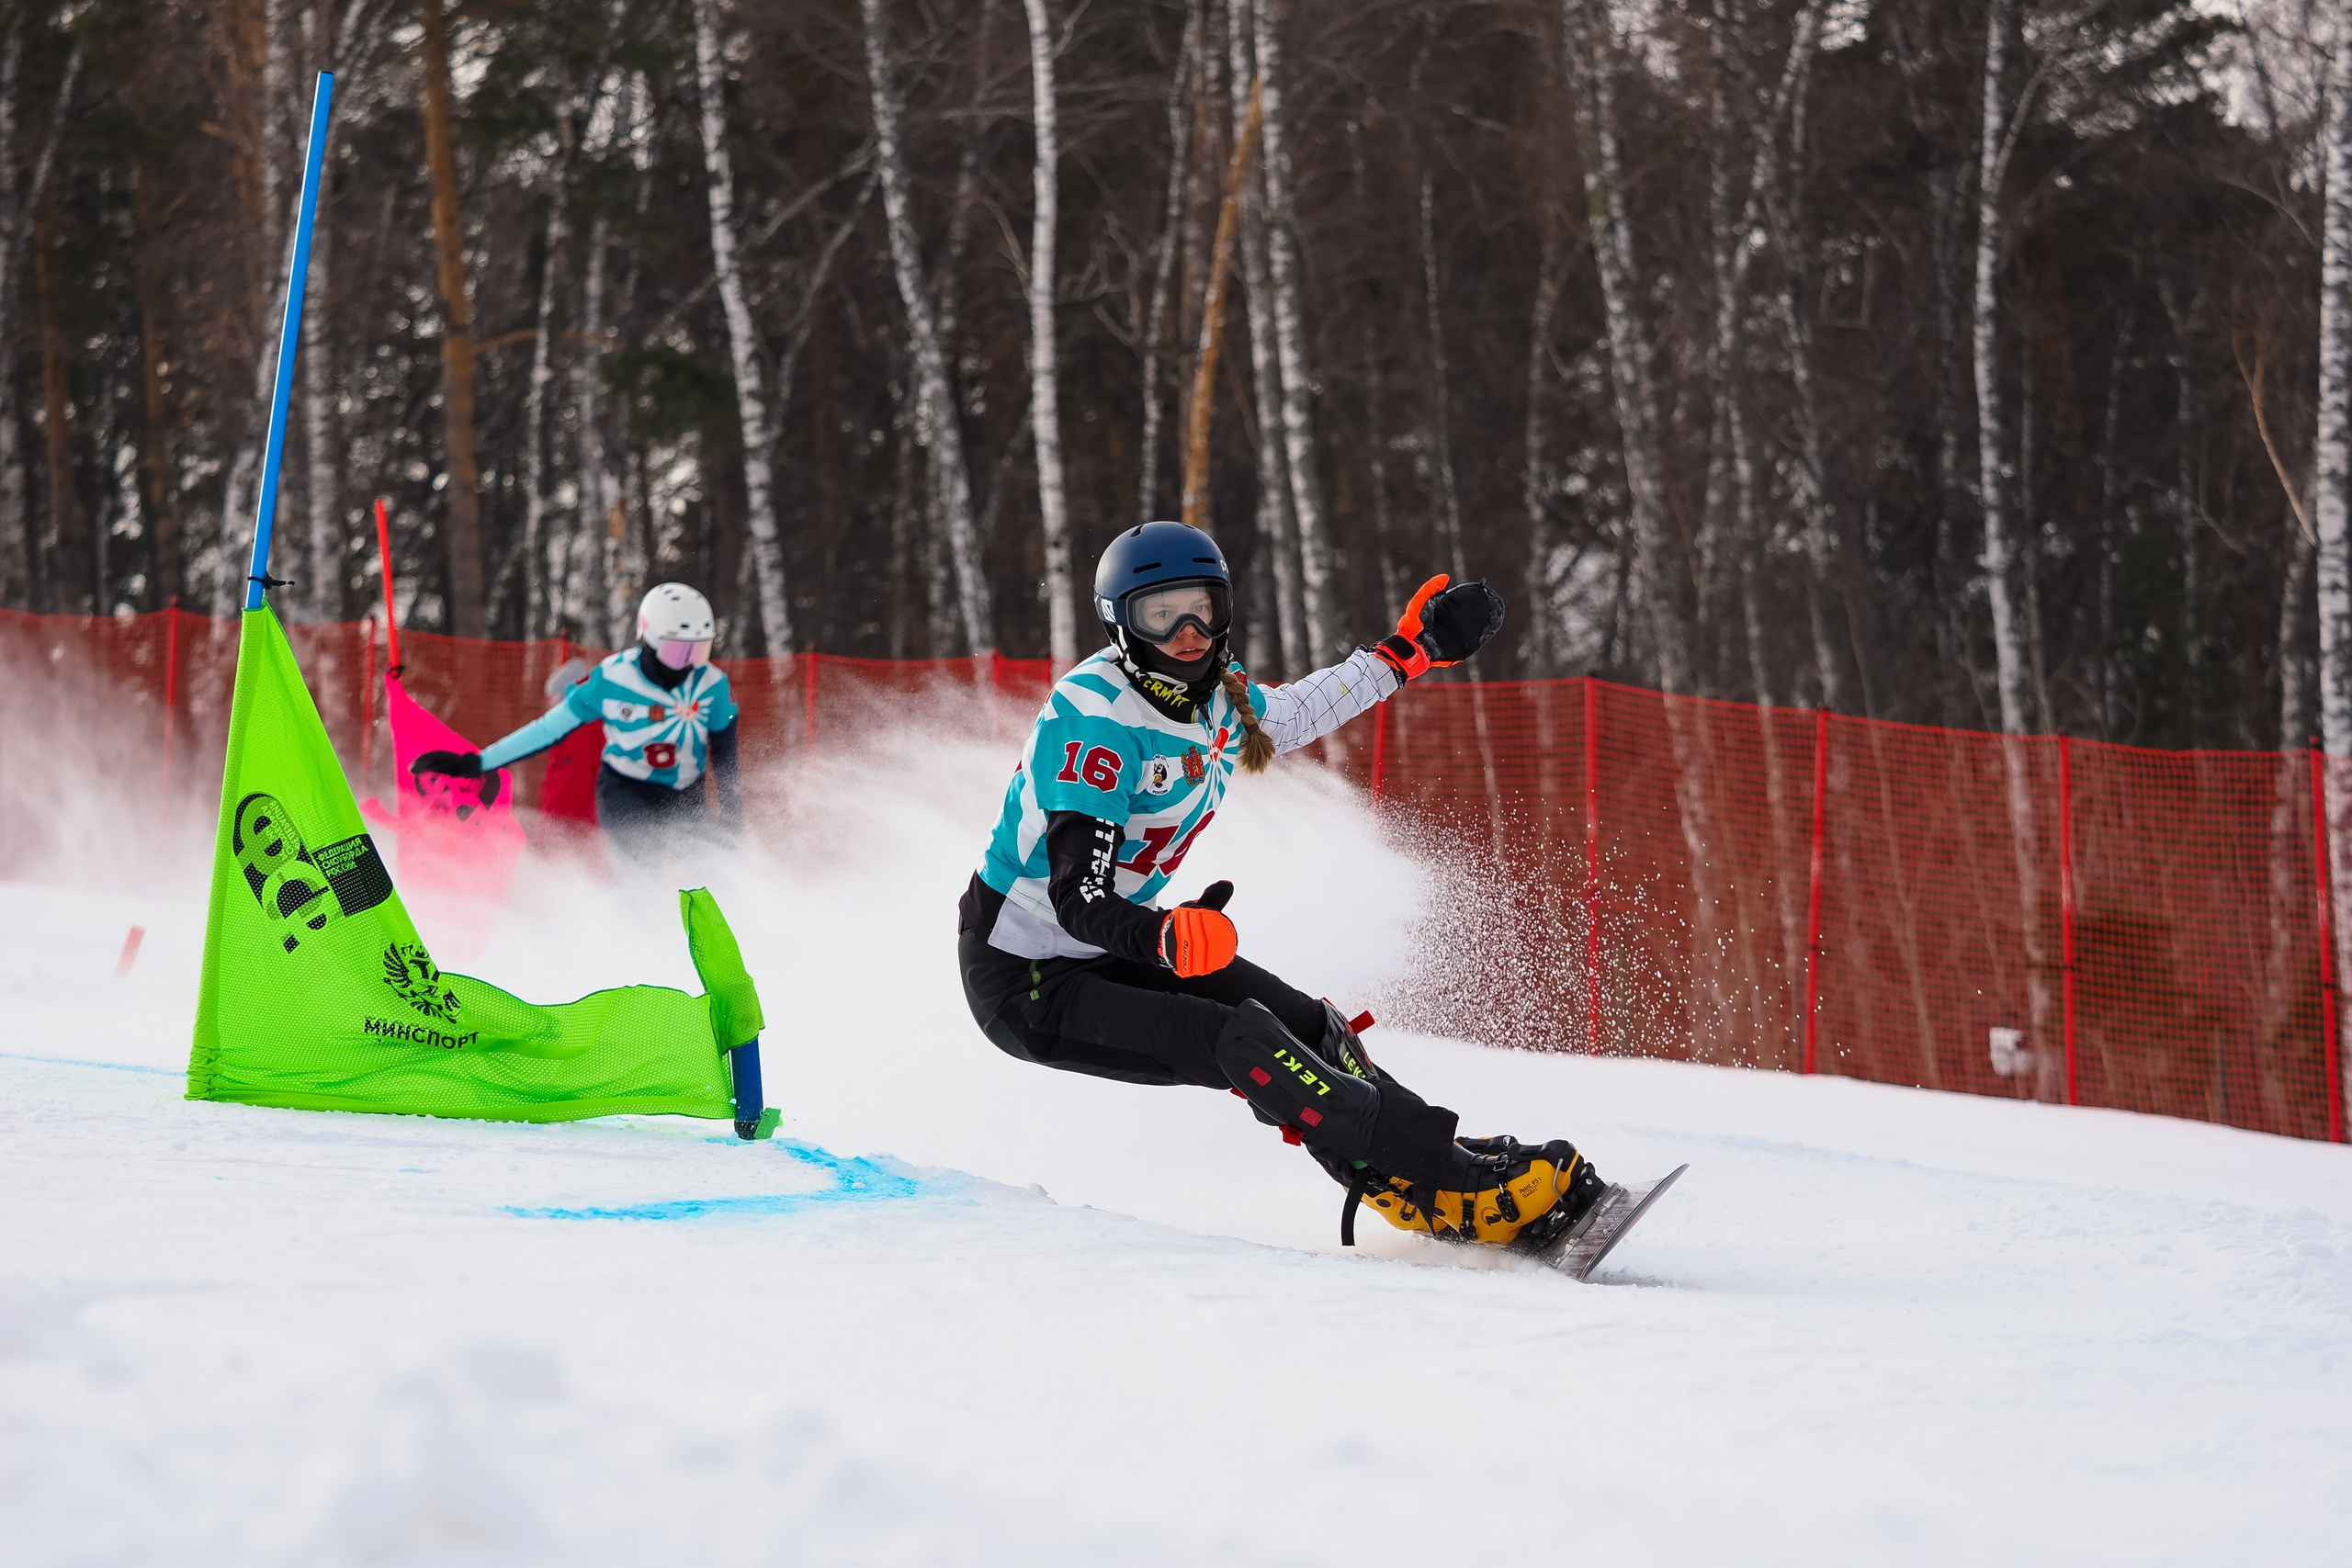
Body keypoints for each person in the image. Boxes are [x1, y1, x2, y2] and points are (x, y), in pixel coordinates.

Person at [956, 521, 1618, 1256]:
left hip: (1114, 943)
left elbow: (1298, 711)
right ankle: (1441, 1182)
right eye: (1160, 613)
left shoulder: (1216, 699)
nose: (1187, 632)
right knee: (1244, 1039)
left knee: (1309, 1027)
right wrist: (1162, 934)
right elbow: (1078, 897)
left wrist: (1413, 651)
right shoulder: (1097, 722)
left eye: (1202, 606)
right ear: (1122, 623)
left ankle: (1426, 1162)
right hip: (1028, 977)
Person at [413, 583, 741, 859]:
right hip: (627, 790)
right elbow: (547, 730)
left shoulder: (713, 685)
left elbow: (726, 754)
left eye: (698, 650)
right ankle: (639, 924)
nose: (687, 664)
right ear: (649, 638)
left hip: (686, 793)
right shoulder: (612, 679)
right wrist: (478, 763)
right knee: (643, 864)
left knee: (712, 864)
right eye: (677, 651)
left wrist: (731, 811)